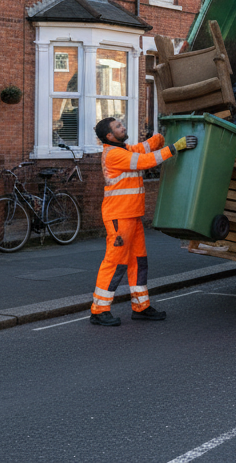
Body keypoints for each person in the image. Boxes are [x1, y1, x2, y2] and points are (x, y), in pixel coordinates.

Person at [89, 117, 195, 327]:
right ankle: (99, 310)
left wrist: (159, 138)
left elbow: (141, 148)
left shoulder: (123, 149)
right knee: (115, 262)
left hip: (131, 216)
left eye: (122, 123)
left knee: (138, 261)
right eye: (118, 126)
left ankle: (141, 307)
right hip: (119, 217)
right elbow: (145, 161)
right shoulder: (114, 155)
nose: (124, 126)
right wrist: (174, 147)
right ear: (109, 136)